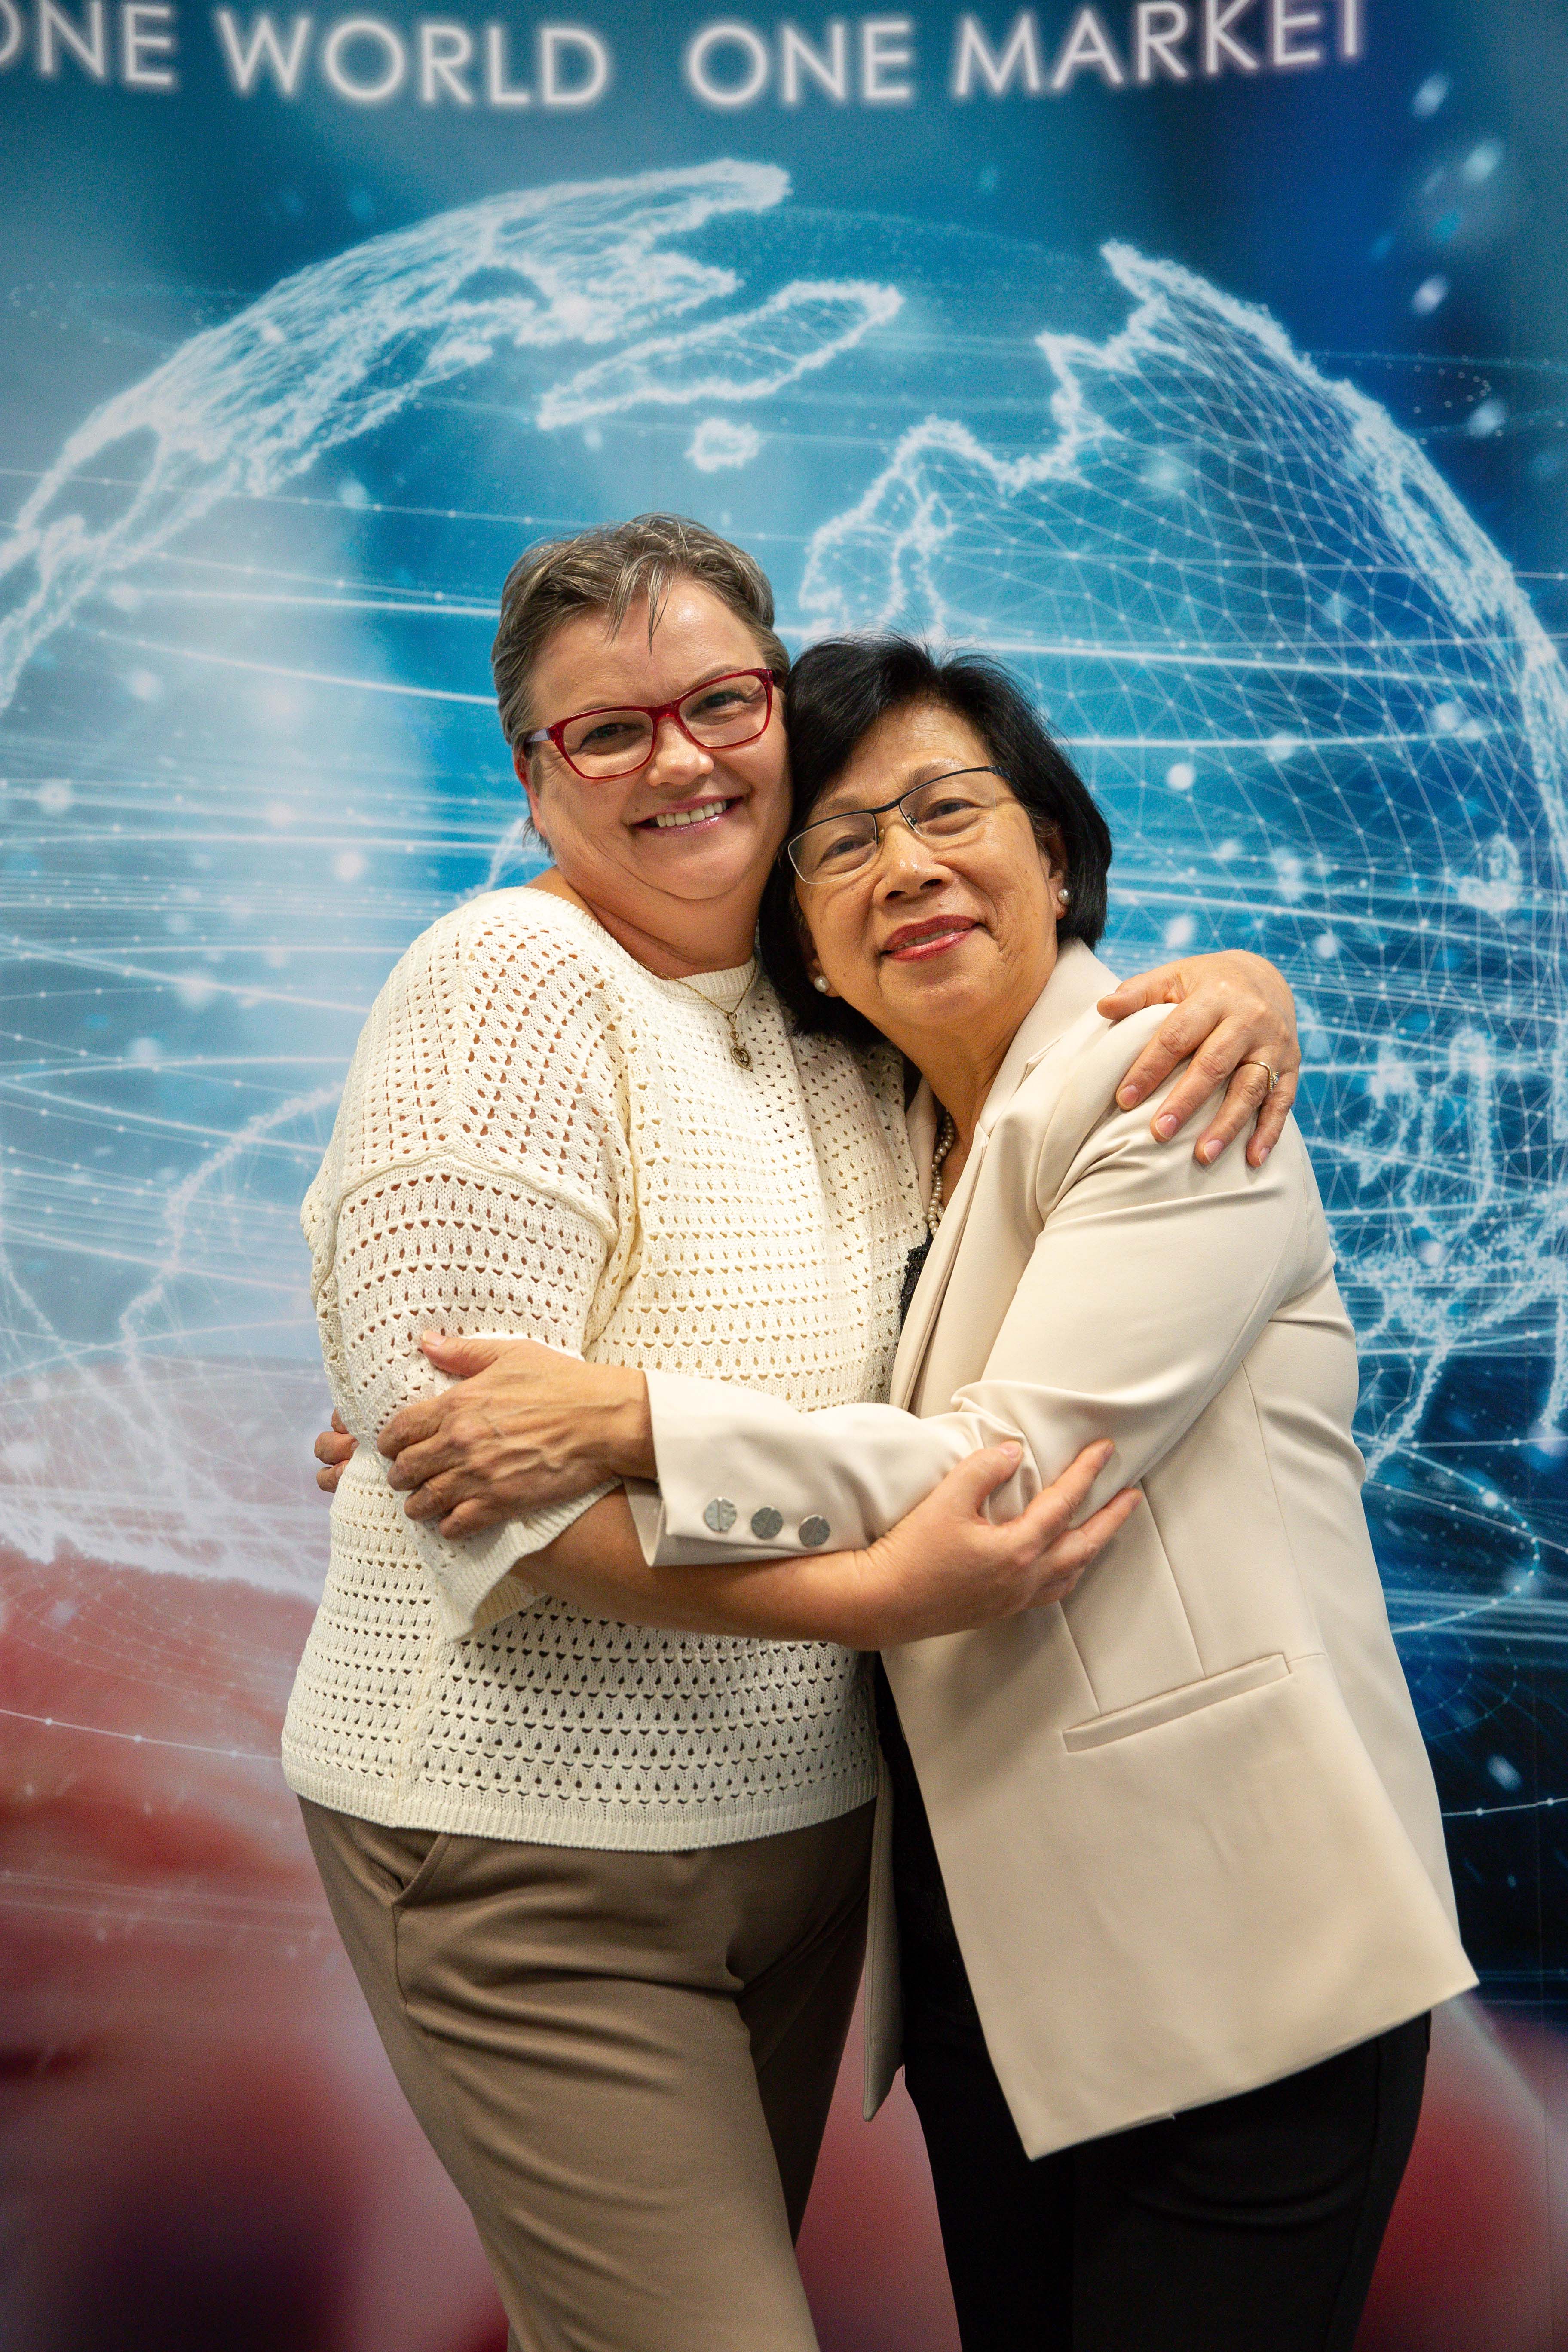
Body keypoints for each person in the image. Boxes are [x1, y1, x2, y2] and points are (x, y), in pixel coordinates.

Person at [340, 631, 1475, 2351]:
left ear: (1055, 852)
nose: (910, 867)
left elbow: (1001, 1471)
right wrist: (415, 1405)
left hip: (1239, 1953)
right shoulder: (884, 1128)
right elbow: (706, 1336)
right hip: (996, 1974)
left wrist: (618, 1424)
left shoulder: (1170, 1088)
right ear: (800, 930)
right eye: (845, 843)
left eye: (951, 812)